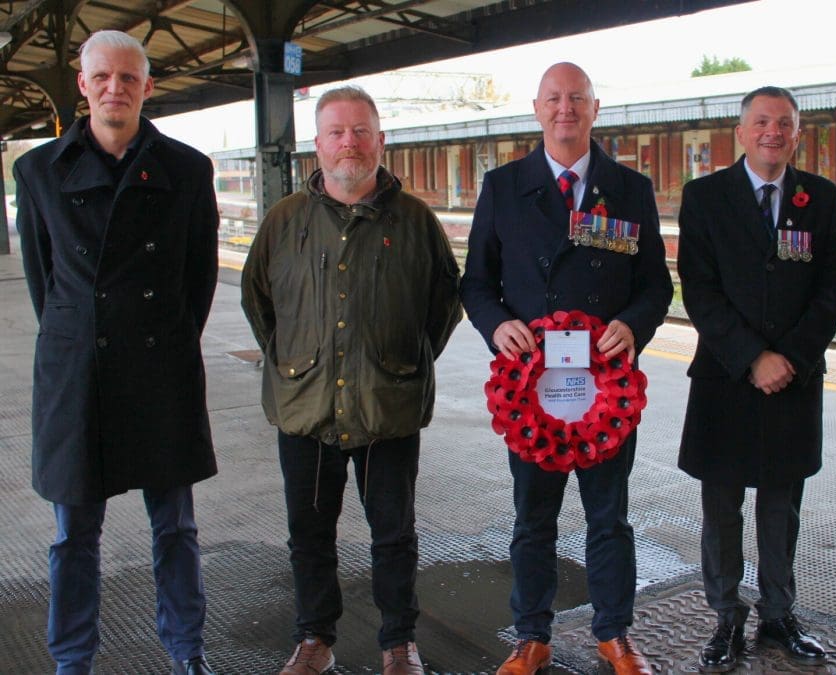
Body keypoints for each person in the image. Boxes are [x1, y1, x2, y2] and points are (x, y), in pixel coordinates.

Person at [13, 30, 218, 675]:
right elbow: (46, 282)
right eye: (102, 77)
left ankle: (187, 651)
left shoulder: (188, 169)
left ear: (148, 86)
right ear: (82, 84)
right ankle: (72, 659)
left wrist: (166, 339)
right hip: (77, 375)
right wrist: (81, 337)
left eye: (128, 78)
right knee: (74, 533)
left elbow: (198, 278)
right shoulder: (38, 171)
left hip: (160, 371)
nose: (115, 88)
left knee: (175, 527)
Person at [459, 62, 672, 675]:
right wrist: (497, 326)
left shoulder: (630, 189)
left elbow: (655, 284)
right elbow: (476, 283)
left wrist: (632, 324)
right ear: (537, 108)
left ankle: (614, 634)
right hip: (532, 391)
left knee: (610, 519)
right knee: (533, 520)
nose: (565, 108)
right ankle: (532, 635)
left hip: (606, 390)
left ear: (595, 108)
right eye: (553, 98)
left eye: (577, 98)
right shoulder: (504, 186)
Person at [241, 85, 461, 675]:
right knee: (309, 536)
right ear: (317, 144)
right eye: (337, 132)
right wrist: (296, 364)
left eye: (361, 131)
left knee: (394, 535)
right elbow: (259, 301)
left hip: (387, 408)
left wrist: (400, 362)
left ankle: (398, 643)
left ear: (380, 141)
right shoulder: (284, 220)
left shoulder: (415, 221)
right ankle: (314, 639)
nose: (349, 142)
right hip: (305, 409)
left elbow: (444, 305)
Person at [676, 86, 836, 672]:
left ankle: (779, 614)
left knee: (781, 507)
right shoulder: (704, 197)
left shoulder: (820, 199)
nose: (773, 132)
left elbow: (832, 289)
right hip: (726, 377)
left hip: (793, 381)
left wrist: (789, 358)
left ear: (797, 133)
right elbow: (699, 289)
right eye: (761, 122)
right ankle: (726, 617)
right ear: (741, 133)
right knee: (721, 507)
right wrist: (753, 357)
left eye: (784, 123)